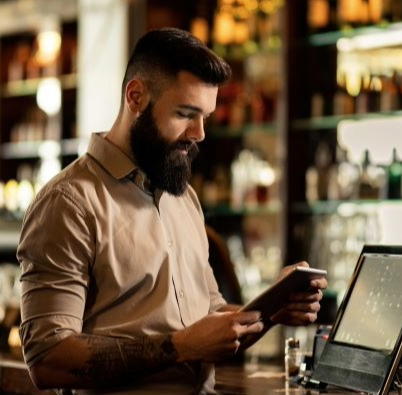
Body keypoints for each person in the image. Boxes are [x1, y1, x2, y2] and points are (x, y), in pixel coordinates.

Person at [16, 28, 327, 394]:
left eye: (205, 117)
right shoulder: (68, 203)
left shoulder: (184, 198)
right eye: (186, 114)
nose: (199, 133)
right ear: (136, 97)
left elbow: (210, 327)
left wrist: (272, 309)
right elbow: (48, 359)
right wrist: (181, 347)